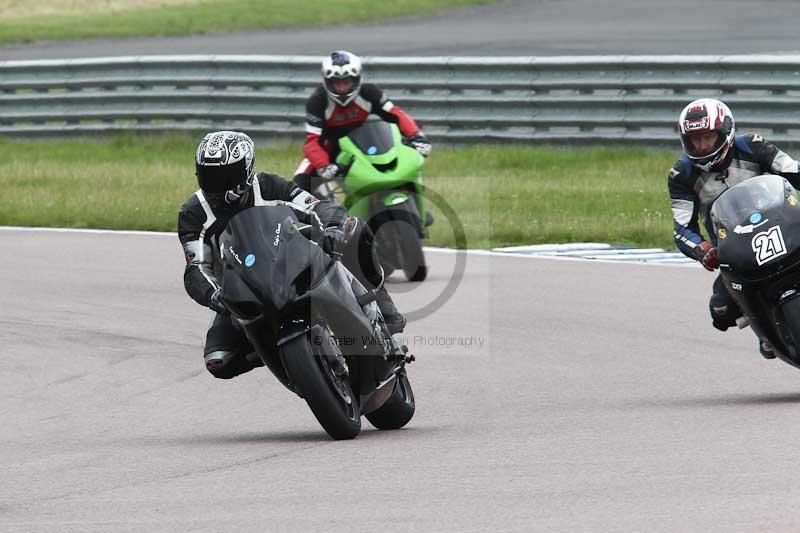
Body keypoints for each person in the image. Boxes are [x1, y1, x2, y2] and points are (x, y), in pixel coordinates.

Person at [179, 130, 406, 379]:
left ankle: (382, 305)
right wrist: (215, 295)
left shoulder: (268, 186)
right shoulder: (194, 213)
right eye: (207, 175)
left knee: (352, 229)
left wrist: (332, 225)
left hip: (290, 261)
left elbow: (314, 205)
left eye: (223, 176)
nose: (214, 184)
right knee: (219, 361)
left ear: (245, 171)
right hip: (242, 290)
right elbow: (197, 266)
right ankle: (279, 352)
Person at [668, 98, 800, 359]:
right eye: (695, 140)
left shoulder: (753, 146)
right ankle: (767, 330)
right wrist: (702, 249)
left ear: (725, 132)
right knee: (721, 312)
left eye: (707, 137)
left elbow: (792, 170)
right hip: (735, 249)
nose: (702, 145)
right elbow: (681, 227)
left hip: (783, 227)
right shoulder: (681, 174)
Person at [292, 50, 432, 193]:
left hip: (363, 147)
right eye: (336, 83)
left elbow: (396, 114)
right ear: (327, 81)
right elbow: (312, 142)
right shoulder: (317, 101)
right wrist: (323, 165)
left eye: (346, 82)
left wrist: (416, 136)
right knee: (298, 185)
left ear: (357, 79)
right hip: (328, 150)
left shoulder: (369, 92)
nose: (341, 88)